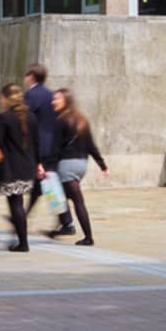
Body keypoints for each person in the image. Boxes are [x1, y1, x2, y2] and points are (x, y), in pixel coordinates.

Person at [49, 89, 107, 246]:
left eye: (57, 99)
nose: (53, 102)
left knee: (73, 200)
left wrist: (47, 166)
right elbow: (91, 145)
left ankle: (87, 237)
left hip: (66, 165)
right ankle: (63, 225)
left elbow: (54, 148)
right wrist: (102, 165)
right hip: (81, 164)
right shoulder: (82, 120)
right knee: (56, 195)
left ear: (66, 101)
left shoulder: (60, 121)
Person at [23, 63, 70, 238]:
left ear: (31, 76)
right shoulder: (51, 95)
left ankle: (66, 221)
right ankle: (24, 217)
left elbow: (25, 119)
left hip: (40, 146)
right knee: (41, 185)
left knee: (47, 183)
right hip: (53, 144)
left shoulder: (31, 95)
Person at [0, 83, 39, 250]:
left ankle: (23, 243)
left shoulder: (3, 118)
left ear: (6, 99)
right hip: (28, 167)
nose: (0, 100)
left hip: (10, 168)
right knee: (18, 203)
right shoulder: (31, 117)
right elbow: (36, 143)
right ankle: (22, 241)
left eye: (1, 97)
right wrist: (39, 164)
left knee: (15, 205)